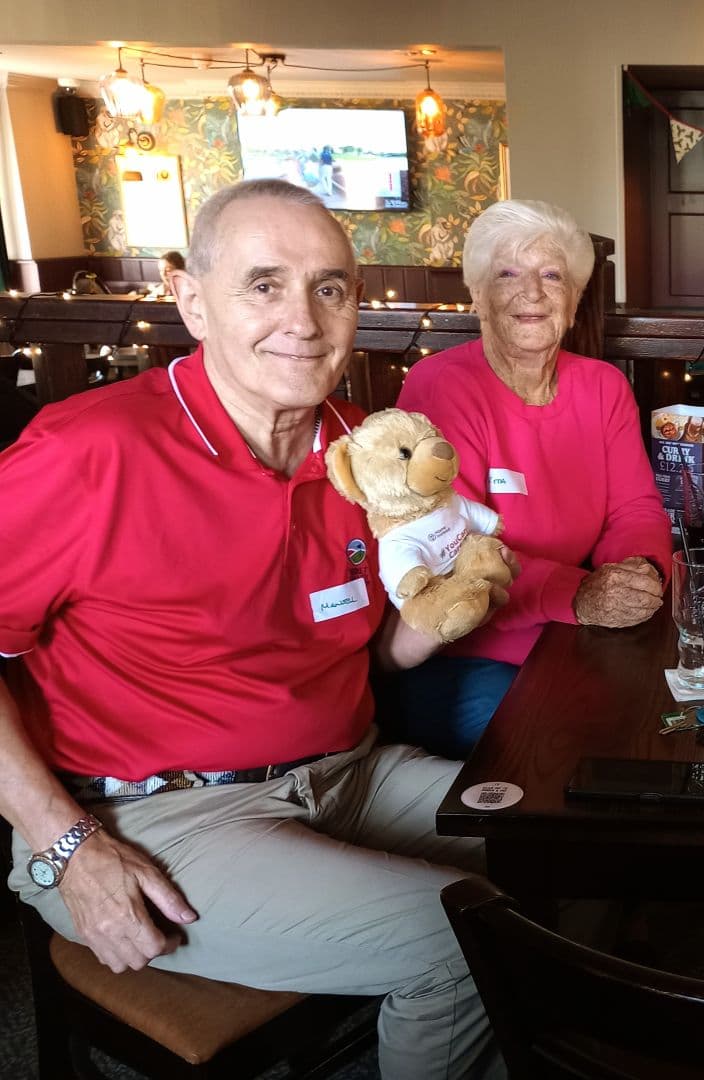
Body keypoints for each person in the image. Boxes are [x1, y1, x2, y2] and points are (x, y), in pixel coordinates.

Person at [0, 179, 510, 1080]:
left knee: (574, 849)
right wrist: (66, 846)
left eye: (330, 287)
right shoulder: (87, 450)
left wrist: (435, 618)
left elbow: (365, 647)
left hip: (348, 770)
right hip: (157, 813)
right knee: (465, 942)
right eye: (264, 284)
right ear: (192, 301)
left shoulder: (363, 449)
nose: (305, 321)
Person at [393, 199, 671, 758]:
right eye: (507, 274)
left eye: (552, 275)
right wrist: (582, 594)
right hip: (468, 653)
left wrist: (638, 569)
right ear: (477, 295)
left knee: (677, 713)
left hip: (573, 635)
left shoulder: (602, 387)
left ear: (573, 298)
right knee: (575, 743)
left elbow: (635, 509)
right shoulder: (440, 387)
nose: (534, 293)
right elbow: (455, 552)